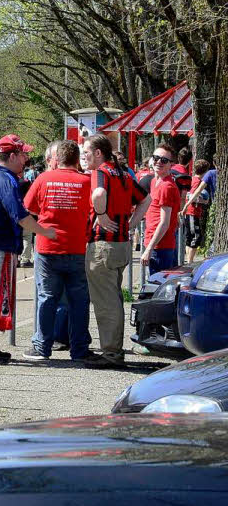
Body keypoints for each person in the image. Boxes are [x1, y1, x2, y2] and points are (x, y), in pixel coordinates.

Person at [0, 135, 55, 365]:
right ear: (11, 156)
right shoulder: (6, 180)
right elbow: (20, 217)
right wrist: (44, 231)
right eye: (23, 154)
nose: (26, 158)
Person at [81, 133, 149, 367]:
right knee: (114, 299)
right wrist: (131, 223)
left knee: (106, 302)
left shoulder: (102, 172)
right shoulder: (123, 173)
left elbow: (99, 194)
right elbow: (145, 200)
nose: (84, 157)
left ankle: (111, 354)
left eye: (87, 152)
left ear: (98, 153)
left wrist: (101, 214)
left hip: (103, 245)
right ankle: (113, 351)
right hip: (121, 244)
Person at [22, 141, 92, 362]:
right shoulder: (86, 181)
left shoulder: (43, 179)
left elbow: (29, 209)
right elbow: (96, 209)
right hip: (77, 247)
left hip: (47, 247)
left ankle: (42, 347)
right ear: (76, 159)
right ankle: (79, 350)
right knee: (79, 300)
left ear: (57, 158)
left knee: (47, 298)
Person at [140, 143, 183, 275]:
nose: (158, 162)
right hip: (155, 243)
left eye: (164, 160)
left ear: (171, 164)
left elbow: (164, 223)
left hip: (160, 247)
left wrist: (149, 250)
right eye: (156, 158)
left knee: (157, 288)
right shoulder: (154, 181)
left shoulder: (166, 186)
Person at [183, 159, 213, 263]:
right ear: (205, 171)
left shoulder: (193, 179)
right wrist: (204, 200)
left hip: (192, 212)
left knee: (190, 237)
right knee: (196, 236)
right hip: (192, 212)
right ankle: (190, 261)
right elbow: (191, 195)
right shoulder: (197, 181)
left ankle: (189, 260)